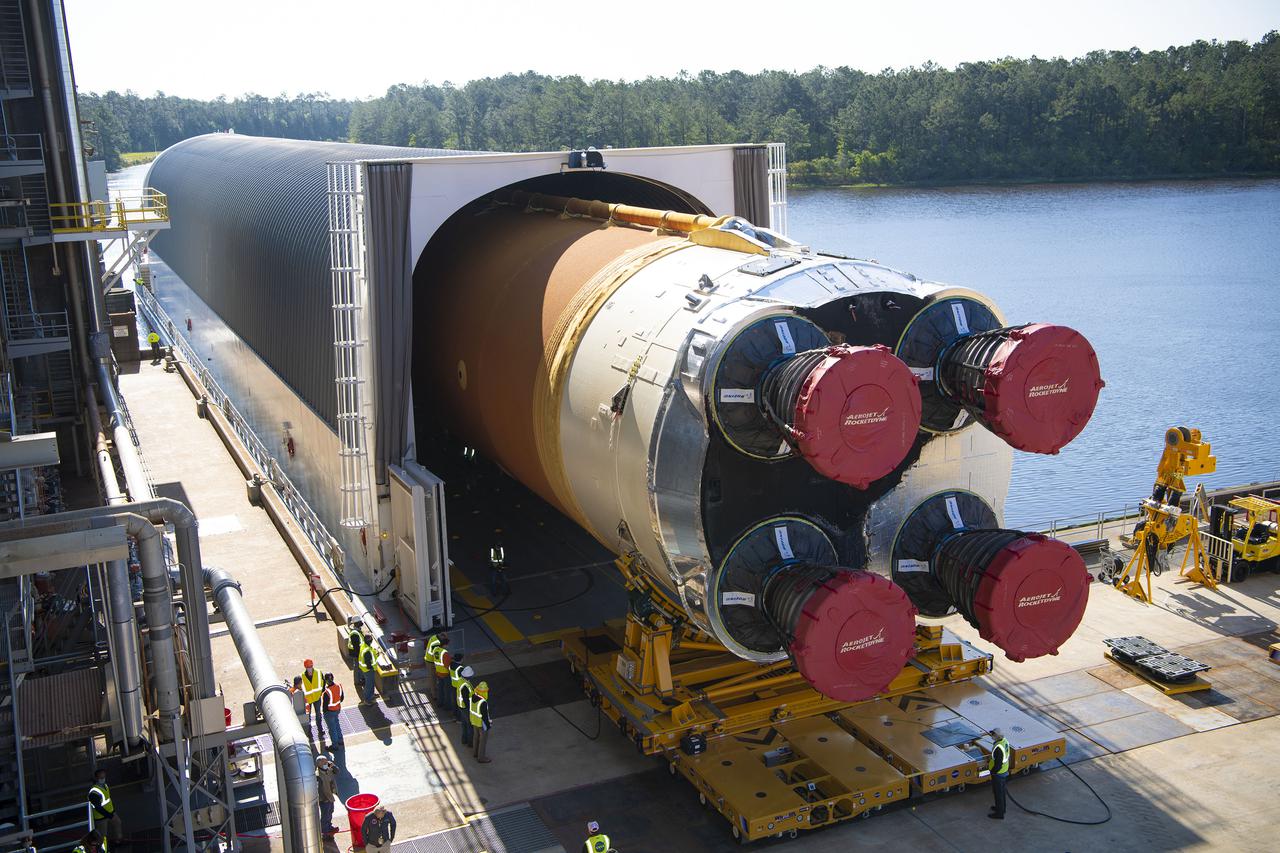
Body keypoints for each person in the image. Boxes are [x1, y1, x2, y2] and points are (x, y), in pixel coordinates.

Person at [87, 768, 123, 846]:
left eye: (104, 777)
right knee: (102, 835)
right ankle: (101, 848)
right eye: (101, 778)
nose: (103, 779)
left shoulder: (105, 786)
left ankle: (118, 841)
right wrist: (110, 816)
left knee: (118, 823)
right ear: (96, 778)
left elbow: (108, 799)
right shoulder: (94, 792)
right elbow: (98, 808)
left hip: (110, 812)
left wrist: (112, 811)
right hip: (101, 817)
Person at [988, 727, 1012, 819]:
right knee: (1001, 792)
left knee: (998, 793)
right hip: (1003, 771)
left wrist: (994, 772)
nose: (991, 735)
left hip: (998, 773)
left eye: (993, 734)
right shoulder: (1004, 741)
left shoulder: (998, 748)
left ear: (997, 736)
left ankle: (999, 814)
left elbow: (998, 763)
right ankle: (1001, 808)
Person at [300, 659, 324, 740]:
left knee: (318, 714)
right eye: (308, 667)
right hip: (308, 700)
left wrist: (321, 693)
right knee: (308, 716)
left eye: (310, 666)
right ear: (305, 667)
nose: (309, 668)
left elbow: (323, 683)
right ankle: (309, 732)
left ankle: (320, 730)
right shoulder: (302, 676)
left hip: (317, 698)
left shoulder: (318, 672)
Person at [469, 681, 492, 763]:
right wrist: (488, 725)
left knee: (476, 737)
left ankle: (475, 753)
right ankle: (481, 757)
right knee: (483, 740)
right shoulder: (483, 702)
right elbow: (485, 717)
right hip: (481, 724)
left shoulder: (472, 697)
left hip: (474, 721)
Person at [315, 754, 339, 836]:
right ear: (319, 764)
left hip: (330, 796)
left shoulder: (328, 769)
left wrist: (333, 766)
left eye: (326, 762)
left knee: (330, 812)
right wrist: (323, 799)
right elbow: (319, 789)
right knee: (325, 815)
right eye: (324, 762)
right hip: (324, 798)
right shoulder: (318, 775)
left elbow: (337, 771)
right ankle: (325, 832)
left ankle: (329, 826)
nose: (326, 763)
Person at [322, 672, 344, 749]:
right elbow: (341, 698)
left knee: (332, 729)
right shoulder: (339, 686)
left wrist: (325, 713)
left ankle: (335, 746)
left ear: (326, 681)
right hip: (337, 709)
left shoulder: (327, 692)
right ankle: (340, 740)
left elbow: (325, 706)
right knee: (337, 724)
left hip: (329, 712)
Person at [431, 634, 453, 710]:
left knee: (440, 689)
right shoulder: (445, 653)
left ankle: (440, 703)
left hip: (438, 672)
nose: (448, 647)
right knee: (447, 691)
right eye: (448, 645)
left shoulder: (435, 650)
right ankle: (448, 706)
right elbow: (447, 664)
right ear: (445, 645)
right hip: (445, 674)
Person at [456, 664, 475, 747]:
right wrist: (471, 709)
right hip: (465, 707)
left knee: (464, 723)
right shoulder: (465, 686)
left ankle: (464, 739)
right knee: (470, 725)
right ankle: (470, 742)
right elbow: (466, 699)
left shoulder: (461, 680)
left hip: (460, 706)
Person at [359, 631, 378, 704]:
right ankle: (367, 699)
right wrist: (371, 668)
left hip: (366, 669)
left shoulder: (364, 645)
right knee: (369, 684)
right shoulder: (367, 650)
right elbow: (368, 662)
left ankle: (371, 695)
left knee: (371, 682)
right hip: (368, 670)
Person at [448, 653, 469, 722]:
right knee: (460, 703)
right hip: (459, 687)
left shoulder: (451, 665)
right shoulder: (460, 668)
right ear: (461, 659)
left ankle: (454, 715)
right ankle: (459, 718)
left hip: (453, 685)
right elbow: (463, 678)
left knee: (454, 701)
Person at [347, 623, 366, 693]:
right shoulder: (355, 633)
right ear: (357, 623)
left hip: (357, 653)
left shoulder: (356, 631)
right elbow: (356, 646)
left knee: (358, 667)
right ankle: (357, 681)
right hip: (356, 654)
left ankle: (360, 679)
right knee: (357, 667)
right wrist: (359, 655)